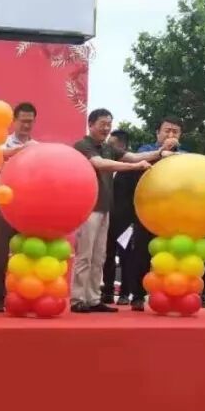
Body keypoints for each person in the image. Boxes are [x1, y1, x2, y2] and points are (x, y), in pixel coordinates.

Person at [70, 109, 171, 313]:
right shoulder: (83, 145)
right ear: (91, 124)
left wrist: (159, 153)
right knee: (85, 256)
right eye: (102, 124)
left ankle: (93, 298)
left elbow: (133, 156)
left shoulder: (108, 148)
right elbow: (100, 164)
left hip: (105, 208)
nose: (106, 128)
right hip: (88, 208)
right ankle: (78, 299)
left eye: (109, 124)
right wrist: (135, 167)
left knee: (99, 257)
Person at [121, 117, 184, 311]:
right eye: (167, 130)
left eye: (175, 131)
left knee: (172, 255)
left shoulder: (185, 156)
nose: (171, 134)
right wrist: (162, 152)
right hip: (147, 211)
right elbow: (139, 163)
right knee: (141, 253)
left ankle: (169, 295)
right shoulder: (146, 150)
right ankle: (137, 296)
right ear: (158, 133)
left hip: (173, 214)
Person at [0, 102, 37, 312]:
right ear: (14, 121)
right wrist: (23, 150)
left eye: (30, 121)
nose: (26, 125)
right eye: (23, 121)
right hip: (1, 203)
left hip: (26, 204)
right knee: (0, 253)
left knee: (26, 252)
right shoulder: (2, 142)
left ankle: (24, 296)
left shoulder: (37, 147)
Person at [100, 129, 133, 306]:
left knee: (126, 257)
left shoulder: (132, 169)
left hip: (126, 222)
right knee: (107, 256)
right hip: (106, 218)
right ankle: (107, 291)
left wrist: (134, 222)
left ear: (123, 146)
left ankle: (125, 293)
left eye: (112, 145)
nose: (109, 148)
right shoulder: (105, 166)